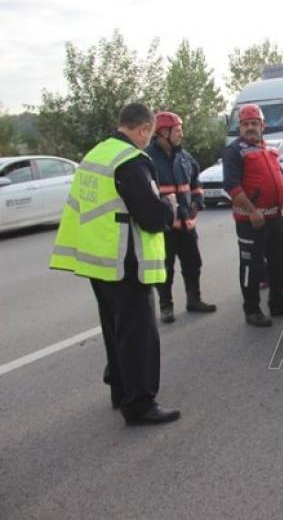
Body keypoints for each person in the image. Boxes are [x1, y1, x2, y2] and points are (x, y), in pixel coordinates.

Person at [50, 103, 180, 426]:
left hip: (99, 261)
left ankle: (120, 391)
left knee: (115, 330)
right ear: (143, 129)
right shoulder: (131, 161)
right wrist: (169, 207)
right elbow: (150, 217)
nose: (146, 140)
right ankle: (139, 405)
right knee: (138, 335)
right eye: (147, 134)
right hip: (126, 261)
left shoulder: (94, 155)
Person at [222, 103, 283, 327]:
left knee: (280, 263)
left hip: (275, 219)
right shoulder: (234, 152)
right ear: (240, 128)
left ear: (262, 126)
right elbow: (232, 187)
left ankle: (278, 304)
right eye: (245, 124)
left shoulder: (269, 150)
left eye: (254, 123)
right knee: (252, 267)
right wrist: (251, 211)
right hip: (251, 222)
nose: (250, 127)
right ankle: (252, 310)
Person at [146, 111, 216, 323]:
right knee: (165, 268)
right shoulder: (148, 159)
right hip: (165, 227)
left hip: (187, 224)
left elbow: (196, 185)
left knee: (193, 264)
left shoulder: (185, 158)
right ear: (163, 132)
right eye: (177, 130)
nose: (181, 135)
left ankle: (194, 299)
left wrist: (197, 202)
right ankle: (166, 307)